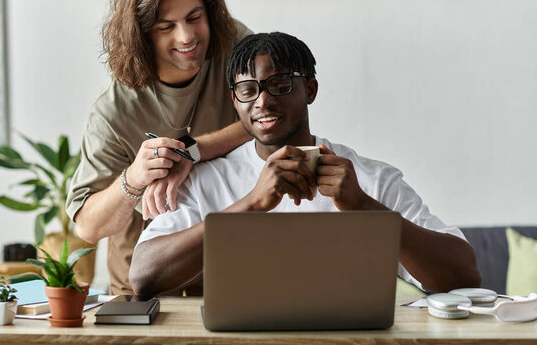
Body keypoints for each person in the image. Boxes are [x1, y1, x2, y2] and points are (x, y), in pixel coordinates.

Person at [129, 32, 481, 296]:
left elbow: (464, 276)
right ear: (235, 101)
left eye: (279, 84)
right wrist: (249, 205)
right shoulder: (209, 180)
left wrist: (363, 207)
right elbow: (144, 276)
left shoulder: (370, 180)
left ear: (310, 89)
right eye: (248, 90)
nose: (262, 100)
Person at [66, 0, 253, 294]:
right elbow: (88, 227)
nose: (186, 36)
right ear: (141, 36)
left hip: (228, 272)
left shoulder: (234, 45)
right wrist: (134, 179)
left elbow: (274, 117)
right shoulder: (112, 111)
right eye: (166, 27)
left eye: (194, 18)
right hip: (142, 285)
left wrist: (190, 154)